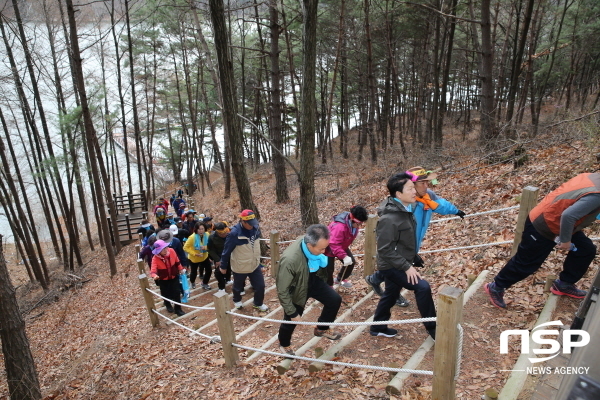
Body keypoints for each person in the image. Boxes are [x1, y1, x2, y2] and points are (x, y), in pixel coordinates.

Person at [484, 173, 599, 309]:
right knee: (526, 263)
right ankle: (496, 286)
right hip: (544, 224)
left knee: (586, 249)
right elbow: (568, 216)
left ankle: (564, 284)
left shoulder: (594, 177)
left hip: (560, 222)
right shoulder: (597, 195)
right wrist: (565, 240)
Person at [365, 166, 466, 307]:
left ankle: (375, 279)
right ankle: (392, 295)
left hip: (414, 241)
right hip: (400, 243)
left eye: (427, 182)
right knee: (397, 268)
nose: (426, 186)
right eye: (422, 183)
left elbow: (440, 205)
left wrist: (456, 211)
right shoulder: (407, 202)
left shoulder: (428, 196)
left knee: (399, 267)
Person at [371, 172, 436, 340]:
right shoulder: (389, 218)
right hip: (390, 265)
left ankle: (378, 327)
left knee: (391, 294)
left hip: (400, 261)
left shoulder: (406, 209)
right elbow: (384, 249)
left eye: (413, 187)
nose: (414, 191)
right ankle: (435, 329)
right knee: (422, 287)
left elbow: (403, 240)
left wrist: (413, 257)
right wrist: (407, 267)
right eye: (409, 189)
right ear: (398, 194)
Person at [276, 224, 343, 356]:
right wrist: (293, 313)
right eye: (321, 249)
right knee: (291, 319)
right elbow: (282, 290)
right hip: (296, 287)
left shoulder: (314, 246)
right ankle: (284, 343)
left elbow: (323, 263)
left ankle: (322, 328)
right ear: (309, 245)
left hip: (313, 277)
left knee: (334, 300)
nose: (324, 252)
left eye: (325, 247)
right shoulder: (290, 260)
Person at [219, 210, 269, 312]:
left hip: (254, 264)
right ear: (243, 222)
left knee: (260, 286)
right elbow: (226, 251)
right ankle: (237, 300)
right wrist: (223, 266)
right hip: (240, 265)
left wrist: (258, 261)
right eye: (250, 224)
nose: (252, 226)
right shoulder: (234, 234)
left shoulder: (256, 229)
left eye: (253, 223)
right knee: (238, 286)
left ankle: (258, 303)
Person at [324, 205, 369, 288]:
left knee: (351, 262)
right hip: (328, 247)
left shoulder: (352, 223)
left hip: (341, 245)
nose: (360, 226)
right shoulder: (339, 227)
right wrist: (344, 256)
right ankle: (329, 287)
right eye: (359, 224)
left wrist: (354, 233)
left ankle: (339, 279)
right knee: (329, 270)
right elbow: (333, 243)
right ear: (353, 220)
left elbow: (351, 230)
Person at [150, 239, 186, 316]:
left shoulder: (172, 251)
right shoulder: (155, 258)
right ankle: (168, 304)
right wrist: (155, 276)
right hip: (163, 279)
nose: (165, 250)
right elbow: (153, 270)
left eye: (165, 248)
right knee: (165, 293)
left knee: (176, 292)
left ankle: (178, 309)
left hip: (174, 276)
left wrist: (180, 269)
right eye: (162, 249)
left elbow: (177, 261)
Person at [183, 222, 212, 290]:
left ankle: (204, 283)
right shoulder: (192, 237)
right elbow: (185, 247)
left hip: (204, 256)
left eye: (202, 229)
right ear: (196, 229)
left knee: (209, 270)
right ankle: (192, 282)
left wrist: (205, 247)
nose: (201, 231)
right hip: (194, 258)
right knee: (194, 272)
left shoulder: (207, 234)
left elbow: (210, 245)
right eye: (199, 229)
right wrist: (195, 253)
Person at [208, 222, 233, 293]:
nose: (223, 235)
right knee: (219, 273)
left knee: (228, 268)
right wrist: (217, 259)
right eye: (221, 233)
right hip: (219, 256)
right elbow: (210, 249)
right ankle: (221, 287)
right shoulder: (212, 237)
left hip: (229, 255)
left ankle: (228, 279)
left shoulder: (230, 235)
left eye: (225, 232)